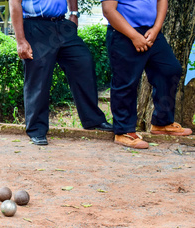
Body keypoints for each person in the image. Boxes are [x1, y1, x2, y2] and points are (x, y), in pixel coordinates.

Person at [10, 0, 113, 146]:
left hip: (62, 25)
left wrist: (74, 14)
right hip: (35, 26)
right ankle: (36, 130)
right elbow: (14, 4)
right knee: (38, 77)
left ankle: (93, 120)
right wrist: (20, 41)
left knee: (83, 62)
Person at [101, 0, 192, 149]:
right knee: (126, 81)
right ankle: (123, 131)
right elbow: (108, 10)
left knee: (170, 69)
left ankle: (162, 123)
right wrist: (134, 36)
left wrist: (156, 28)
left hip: (152, 33)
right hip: (124, 34)